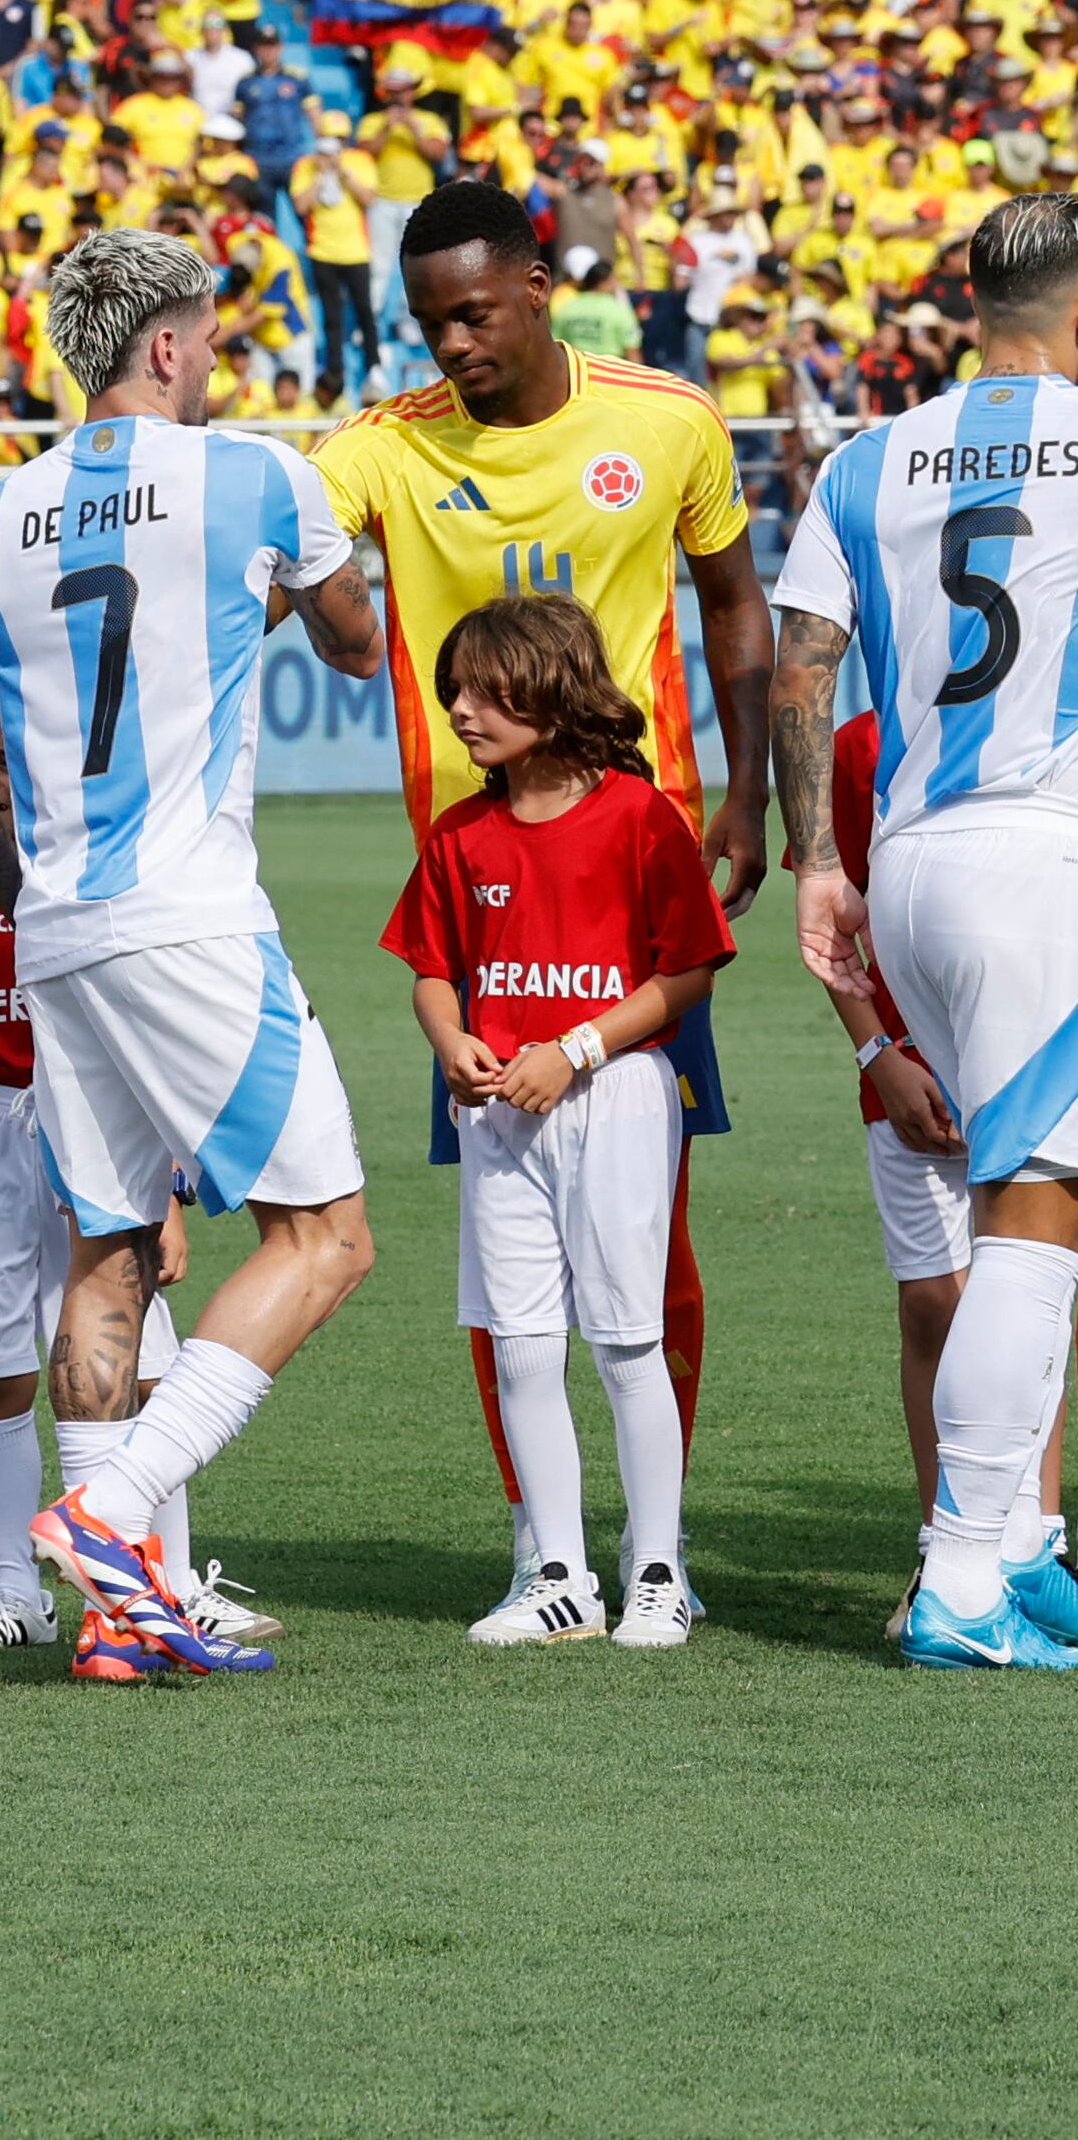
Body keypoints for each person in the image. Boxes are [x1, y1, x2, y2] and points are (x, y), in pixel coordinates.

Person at [769, 190, 1078, 1670]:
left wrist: (815, 862)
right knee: (1037, 1225)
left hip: (911, 857)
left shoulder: (870, 457)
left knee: (1059, 1199)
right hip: (1048, 854)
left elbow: (804, 665)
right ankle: (963, 1574)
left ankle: (1022, 1548)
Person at [0, 225, 388, 1678]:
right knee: (327, 1236)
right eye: (211, 339)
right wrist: (310, 585)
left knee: (109, 1250)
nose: (217, 362)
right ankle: (114, 1518)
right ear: (170, 347)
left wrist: (35, 886)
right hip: (193, 916)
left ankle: (120, 1623)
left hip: (57, 936)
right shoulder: (254, 472)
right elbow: (359, 645)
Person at [316, 176, 774, 1596]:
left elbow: (734, 605)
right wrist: (337, 606)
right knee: (499, 1242)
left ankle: (657, 1547)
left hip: (638, 865)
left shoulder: (666, 419)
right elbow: (298, 572)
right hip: (474, 881)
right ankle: (544, 1540)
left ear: (529, 289)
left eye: (468, 315)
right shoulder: (378, 450)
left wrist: (749, 796)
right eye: (425, 323)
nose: (447, 345)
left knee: (652, 1225)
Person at [381, 593, 736, 1650]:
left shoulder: (639, 816)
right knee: (524, 1348)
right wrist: (451, 1042)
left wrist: (576, 1048)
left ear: (550, 688)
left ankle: (659, 1569)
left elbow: (688, 972)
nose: (460, 709)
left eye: (483, 689)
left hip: (615, 1095)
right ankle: (560, 1573)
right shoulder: (461, 833)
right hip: (499, 1113)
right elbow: (433, 970)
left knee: (628, 1341)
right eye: (452, 689)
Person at [0, 712, 199, 1659]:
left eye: (7, 759)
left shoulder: (100, 878)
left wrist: (171, 1196)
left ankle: (170, 1581)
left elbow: (145, 1040)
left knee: (141, 1363)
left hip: (96, 1120)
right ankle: (17, 1590)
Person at [825, 706, 979, 1627]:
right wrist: (877, 1052)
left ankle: (1024, 1542)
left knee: (1028, 1300)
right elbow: (832, 911)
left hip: (1033, 1066)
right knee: (934, 1304)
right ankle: (940, 1549)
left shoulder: (1055, 711)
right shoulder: (857, 745)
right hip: (906, 1072)